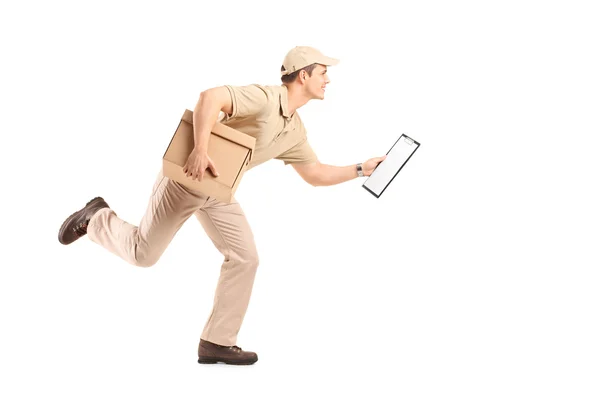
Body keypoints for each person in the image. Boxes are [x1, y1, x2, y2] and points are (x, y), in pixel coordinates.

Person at [58, 46, 387, 365]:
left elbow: (315, 174)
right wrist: (200, 149)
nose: (328, 79)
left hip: (218, 190)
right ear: (303, 76)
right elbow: (210, 97)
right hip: (187, 179)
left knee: (246, 257)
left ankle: (216, 342)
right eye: (323, 73)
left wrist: (360, 169)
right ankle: (97, 217)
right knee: (143, 254)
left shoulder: (295, 130)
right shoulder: (264, 98)